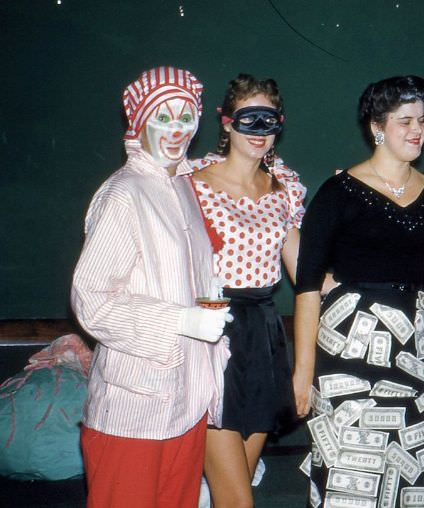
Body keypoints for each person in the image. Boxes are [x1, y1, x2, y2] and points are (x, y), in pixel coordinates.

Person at [71, 66, 232, 508]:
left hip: (187, 398)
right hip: (135, 409)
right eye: (163, 116)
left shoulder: (183, 189)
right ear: (139, 122)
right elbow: (93, 300)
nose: (177, 129)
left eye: (186, 116)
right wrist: (182, 318)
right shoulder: (124, 192)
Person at [293, 75, 424, 507]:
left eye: (421, 119)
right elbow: (307, 287)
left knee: (410, 479)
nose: (417, 129)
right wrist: (303, 372)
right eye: (404, 121)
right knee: (349, 477)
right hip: (349, 348)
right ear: (377, 128)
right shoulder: (338, 192)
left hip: (416, 349)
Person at [190, 74, 305, 508]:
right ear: (225, 123)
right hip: (212, 335)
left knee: (230, 493)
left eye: (268, 120)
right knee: (237, 500)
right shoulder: (194, 184)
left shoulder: (283, 192)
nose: (259, 131)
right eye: (247, 119)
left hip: (264, 338)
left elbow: (308, 274)